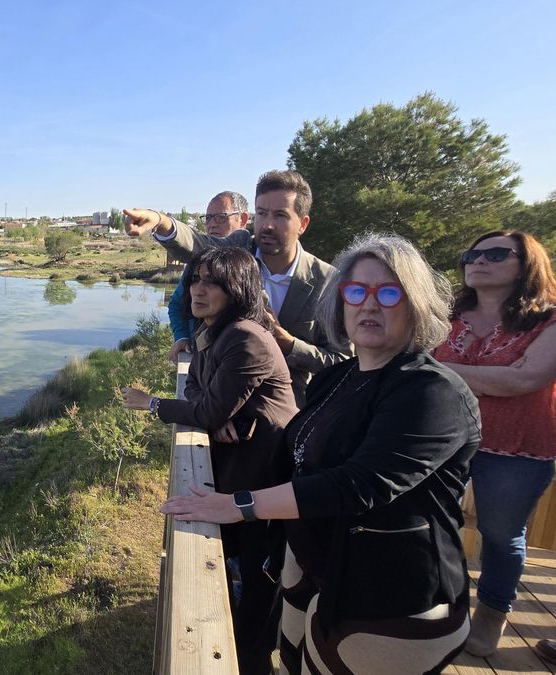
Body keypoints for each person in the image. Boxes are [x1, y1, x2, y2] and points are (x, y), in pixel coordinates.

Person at [161, 233, 481, 674]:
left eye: (390, 292)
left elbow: (357, 485)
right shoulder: (340, 376)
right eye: (357, 291)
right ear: (340, 302)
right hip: (312, 569)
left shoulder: (433, 392)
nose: (370, 304)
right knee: (289, 662)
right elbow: (295, 453)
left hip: (387, 596)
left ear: (417, 303)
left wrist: (238, 506)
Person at [121, 246, 297, 675]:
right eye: (196, 280)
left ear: (236, 289)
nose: (197, 290)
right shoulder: (213, 331)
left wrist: (153, 404)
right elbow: (199, 392)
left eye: (211, 282)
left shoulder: (246, 337)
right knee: (237, 560)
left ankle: (254, 660)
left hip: (267, 477)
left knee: (260, 576)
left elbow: (203, 406)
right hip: (241, 468)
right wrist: (215, 413)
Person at [430, 230, 556, 657]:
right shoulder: (443, 315)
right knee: (432, 523)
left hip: (517, 448)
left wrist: (441, 370)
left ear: (527, 264)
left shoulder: (553, 321)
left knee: (501, 536)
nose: (479, 260)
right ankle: (437, 605)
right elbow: (410, 364)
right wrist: (499, 379)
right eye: (473, 253)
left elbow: (527, 379)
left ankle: (490, 618)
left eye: (495, 253)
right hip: (444, 441)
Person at [124, 170, 349, 405]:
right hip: (219, 411)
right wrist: (160, 221)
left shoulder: (327, 281)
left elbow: (343, 361)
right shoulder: (239, 250)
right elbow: (200, 245)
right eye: (261, 213)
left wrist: (290, 345)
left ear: (302, 224)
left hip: (288, 418)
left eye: (280, 215)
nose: (268, 225)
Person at [166, 191, 251, 363]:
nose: (212, 224)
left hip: (237, 359)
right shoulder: (196, 264)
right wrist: (182, 338)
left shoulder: (252, 263)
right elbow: (176, 305)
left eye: (220, 217)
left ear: (242, 219)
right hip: (200, 359)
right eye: (208, 218)